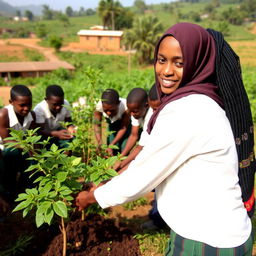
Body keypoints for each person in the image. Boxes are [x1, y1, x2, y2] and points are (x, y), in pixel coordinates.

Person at [76, 22, 255, 255]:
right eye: (162, 60)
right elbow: (148, 157)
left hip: (209, 239)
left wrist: (92, 197)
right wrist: (108, 181)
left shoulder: (189, 110)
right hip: (200, 229)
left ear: (198, 62)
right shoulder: (197, 101)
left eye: (179, 63)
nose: (167, 71)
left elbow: (143, 176)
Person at [0, 85, 37, 202]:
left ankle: (26, 189)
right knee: (13, 153)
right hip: (5, 149)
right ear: (11, 102)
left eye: (29, 104)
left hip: (24, 147)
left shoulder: (32, 115)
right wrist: (27, 147)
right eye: (22, 105)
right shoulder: (4, 115)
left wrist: (36, 152)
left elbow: (33, 136)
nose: (26, 108)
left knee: (32, 162)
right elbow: (6, 141)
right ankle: (9, 189)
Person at [115, 85, 161, 172]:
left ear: (146, 106)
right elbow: (133, 135)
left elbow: (141, 148)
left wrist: (121, 164)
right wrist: (120, 158)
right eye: (130, 110)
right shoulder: (137, 112)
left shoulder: (151, 117)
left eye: (134, 111)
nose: (131, 114)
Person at [34, 85, 75, 149]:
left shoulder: (65, 104)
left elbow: (69, 121)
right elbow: (40, 131)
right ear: (46, 100)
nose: (58, 107)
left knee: (70, 141)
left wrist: (71, 128)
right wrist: (56, 134)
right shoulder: (39, 109)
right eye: (55, 104)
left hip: (58, 130)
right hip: (45, 135)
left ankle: (67, 155)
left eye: (61, 103)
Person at [94, 89, 131, 156]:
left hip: (125, 127)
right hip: (112, 125)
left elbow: (123, 128)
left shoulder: (126, 107)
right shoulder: (99, 106)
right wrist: (99, 142)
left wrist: (112, 144)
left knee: (124, 148)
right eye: (106, 110)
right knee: (111, 150)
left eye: (112, 110)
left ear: (118, 103)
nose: (108, 113)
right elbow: (97, 125)